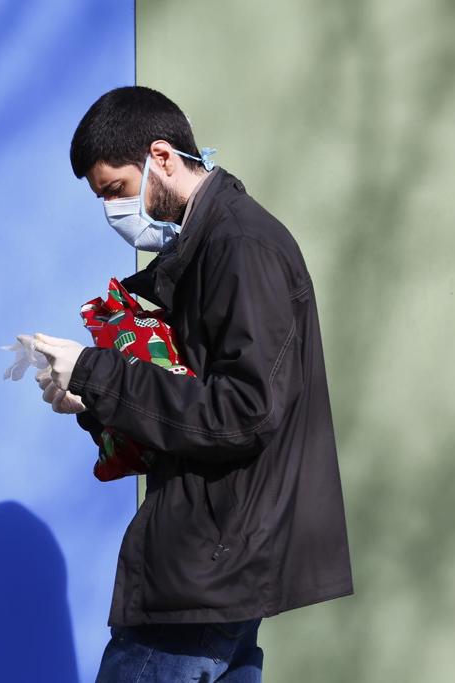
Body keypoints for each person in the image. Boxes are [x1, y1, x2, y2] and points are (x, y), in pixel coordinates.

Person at [31, 85, 354, 682]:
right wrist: (91, 400)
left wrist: (96, 371)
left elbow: (243, 411)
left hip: (208, 561)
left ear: (161, 156)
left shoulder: (240, 246)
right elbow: (192, 391)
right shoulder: (212, 246)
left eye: (115, 191)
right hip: (223, 555)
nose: (111, 211)